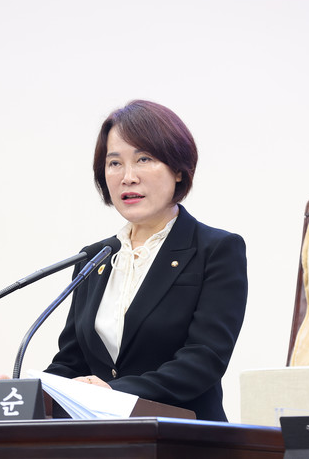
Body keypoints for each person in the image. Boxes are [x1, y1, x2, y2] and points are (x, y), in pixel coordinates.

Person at [44, 100, 247, 422]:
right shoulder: (95, 257)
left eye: (144, 159)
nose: (128, 177)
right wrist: (28, 392)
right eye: (114, 163)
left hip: (185, 434)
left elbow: (203, 360)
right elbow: (71, 362)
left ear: (178, 169)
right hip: (102, 438)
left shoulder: (216, 250)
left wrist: (113, 392)